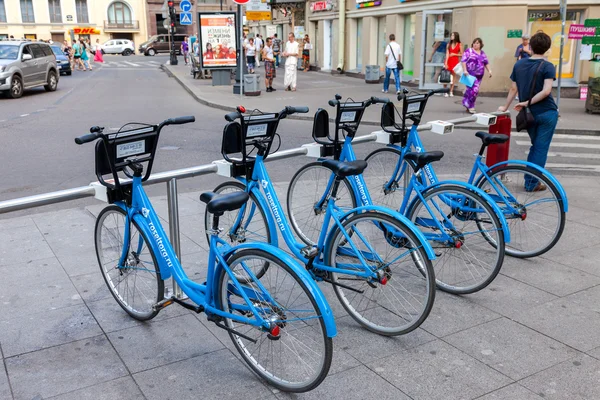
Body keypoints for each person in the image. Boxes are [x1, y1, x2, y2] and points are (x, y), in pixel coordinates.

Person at [498, 32, 557, 192]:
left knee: (535, 146)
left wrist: (505, 106)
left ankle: (530, 179)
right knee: (540, 148)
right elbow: (546, 92)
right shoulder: (548, 66)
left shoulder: (519, 65)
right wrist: (527, 102)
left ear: (530, 46)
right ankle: (531, 183)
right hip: (546, 113)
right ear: (547, 48)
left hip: (528, 114)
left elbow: (513, 88)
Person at [461, 38, 492, 114]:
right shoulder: (469, 51)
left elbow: (486, 62)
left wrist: (489, 71)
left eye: (477, 43)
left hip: (479, 75)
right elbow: (463, 61)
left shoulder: (482, 53)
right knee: (475, 90)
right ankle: (471, 106)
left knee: (470, 91)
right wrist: (465, 70)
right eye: (474, 43)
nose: (475, 44)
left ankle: (467, 103)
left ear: (480, 44)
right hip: (469, 74)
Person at [444, 32, 462, 97]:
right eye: (451, 35)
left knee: (453, 77)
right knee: (446, 76)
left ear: (456, 36)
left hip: (455, 61)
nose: (451, 36)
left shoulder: (459, 44)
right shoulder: (448, 44)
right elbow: (447, 53)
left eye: (453, 35)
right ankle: (445, 91)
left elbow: (462, 54)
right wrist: (446, 63)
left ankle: (451, 91)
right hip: (449, 60)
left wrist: (455, 54)